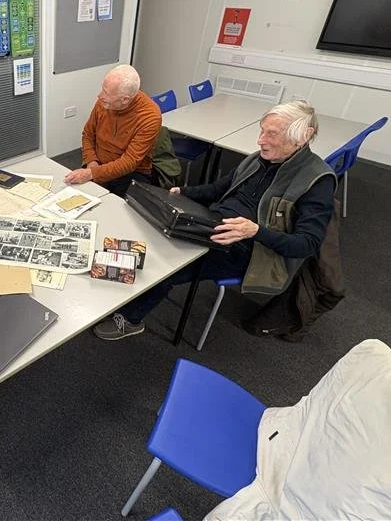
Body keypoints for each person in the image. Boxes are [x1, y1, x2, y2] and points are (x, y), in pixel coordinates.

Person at [93, 100, 337, 340]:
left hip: (252, 251)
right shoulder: (259, 159)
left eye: (271, 134)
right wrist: (185, 192)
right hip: (213, 224)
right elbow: (219, 188)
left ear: (303, 136)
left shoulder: (317, 180)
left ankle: (130, 318)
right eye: (262, 130)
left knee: (167, 264)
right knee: (146, 228)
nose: (260, 140)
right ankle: (113, 284)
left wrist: (254, 231)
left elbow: (306, 245)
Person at [64, 64, 179, 197]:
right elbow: (88, 134)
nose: (99, 96)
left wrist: (92, 174)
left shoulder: (150, 115)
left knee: (118, 209)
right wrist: (92, 163)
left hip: (130, 172)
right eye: (102, 89)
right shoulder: (103, 102)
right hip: (97, 164)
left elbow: (129, 162)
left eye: (106, 93)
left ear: (124, 100)